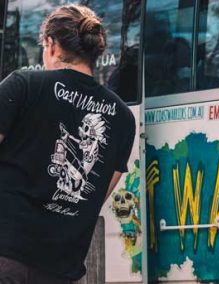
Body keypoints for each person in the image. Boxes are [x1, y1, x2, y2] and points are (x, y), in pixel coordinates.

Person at [0, 4, 135, 283]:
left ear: (50, 44)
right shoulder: (123, 118)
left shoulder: (23, 85)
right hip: (61, 270)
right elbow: (96, 194)